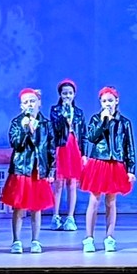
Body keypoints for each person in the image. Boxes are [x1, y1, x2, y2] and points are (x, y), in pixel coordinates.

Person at [81, 87, 136, 253]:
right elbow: (92, 137)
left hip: (115, 164)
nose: (107, 104)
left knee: (111, 202)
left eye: (110, 100)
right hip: (98, 162)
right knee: (94, 200)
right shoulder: (96, 119)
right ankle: (89, 238)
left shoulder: (124, 122)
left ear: (116, 101)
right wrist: (103, 122)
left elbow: (129, 147)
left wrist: (131, 169)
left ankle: (109, 237)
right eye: (104, 101)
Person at [3, 88, 56, 254]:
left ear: (39, 103)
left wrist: (51, 171)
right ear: (21, 106)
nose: (29, 105)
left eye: (32, 101)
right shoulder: (16, 123)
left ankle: (35, 240)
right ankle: (16, 241)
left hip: (38, 170)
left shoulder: (46, 124)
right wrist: (25, 130)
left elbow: (51, 149)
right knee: (19, 207)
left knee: (36, 208)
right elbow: (16, 144)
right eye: (26, 102)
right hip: (21, 170)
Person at [50, 78, 86, 232]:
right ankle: (55, 216)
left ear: (74, 94)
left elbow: (83, 134)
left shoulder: (78, 112)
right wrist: (64, 115)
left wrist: (84, 153)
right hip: (61, 147)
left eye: (70, 93)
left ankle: (70, 217)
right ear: (60, 94)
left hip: (74, 148)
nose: (67, 96)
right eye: (64, 93)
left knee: (72, 183)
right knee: (58, 183)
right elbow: (55, 129)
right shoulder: (55, 111)